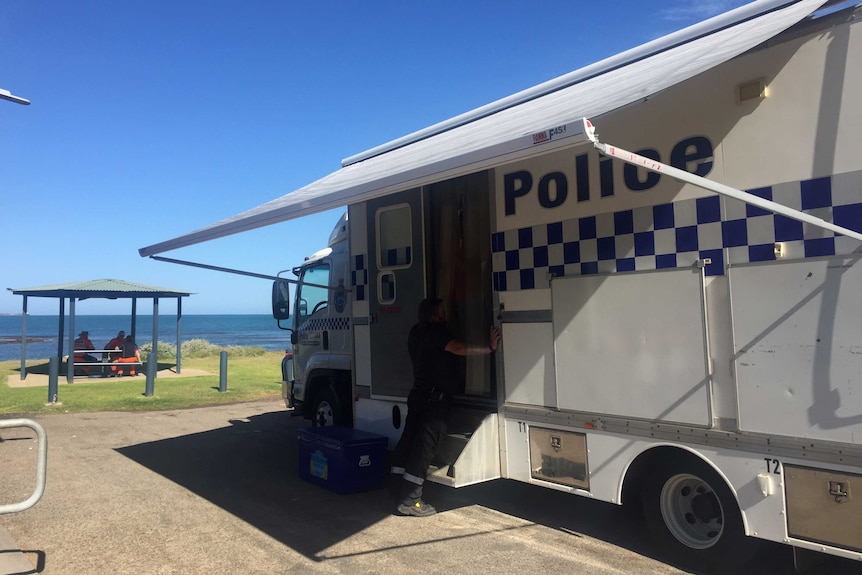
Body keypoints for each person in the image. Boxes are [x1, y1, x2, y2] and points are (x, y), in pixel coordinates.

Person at [389, 298, 501, 517]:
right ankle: (410, 500)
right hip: (433, 401)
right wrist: (488, 348)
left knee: (408, 442)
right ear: (434, 314)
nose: (445, 313)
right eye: (442, 310)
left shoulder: (416, 332)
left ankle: (395, 489)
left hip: (418, 396)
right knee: (423, 449)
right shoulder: (437, 332)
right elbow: (457, 348)